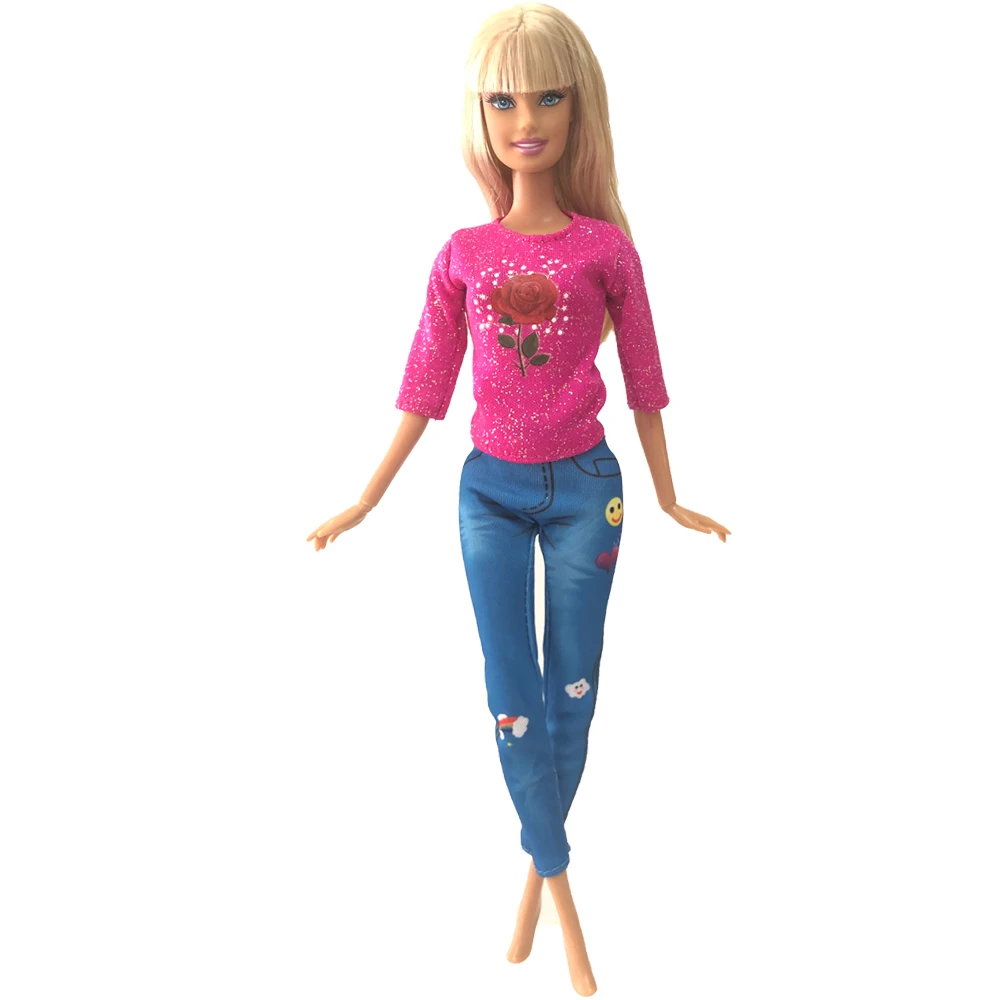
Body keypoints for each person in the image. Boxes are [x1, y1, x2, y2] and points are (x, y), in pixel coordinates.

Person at [307, 4, 730, 994]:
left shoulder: (607, 250)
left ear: (580, 108)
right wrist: (365, 497)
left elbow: (646, 381)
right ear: (479, 113)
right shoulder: (462, 252)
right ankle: (562, 895)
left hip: (587, 490)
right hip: (488, 493)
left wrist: (671, 497)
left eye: (547, 96)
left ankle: (538, 883)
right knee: (511, 695)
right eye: (502, 100)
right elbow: (425, 382)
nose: (525, 119)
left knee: (572, 691)